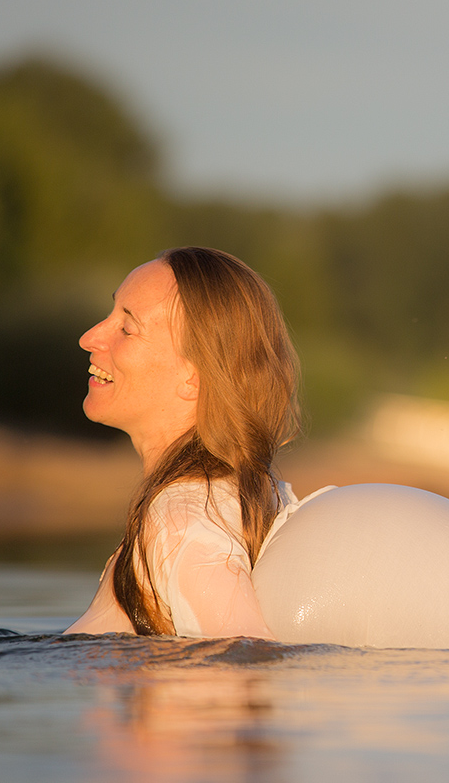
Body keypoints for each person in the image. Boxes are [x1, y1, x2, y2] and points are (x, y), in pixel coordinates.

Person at [64, 246, 301, 638]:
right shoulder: (238, 495)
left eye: (126, 328)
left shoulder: (183, 518)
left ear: (194, 377)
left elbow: (241, 660)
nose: (89, 338)